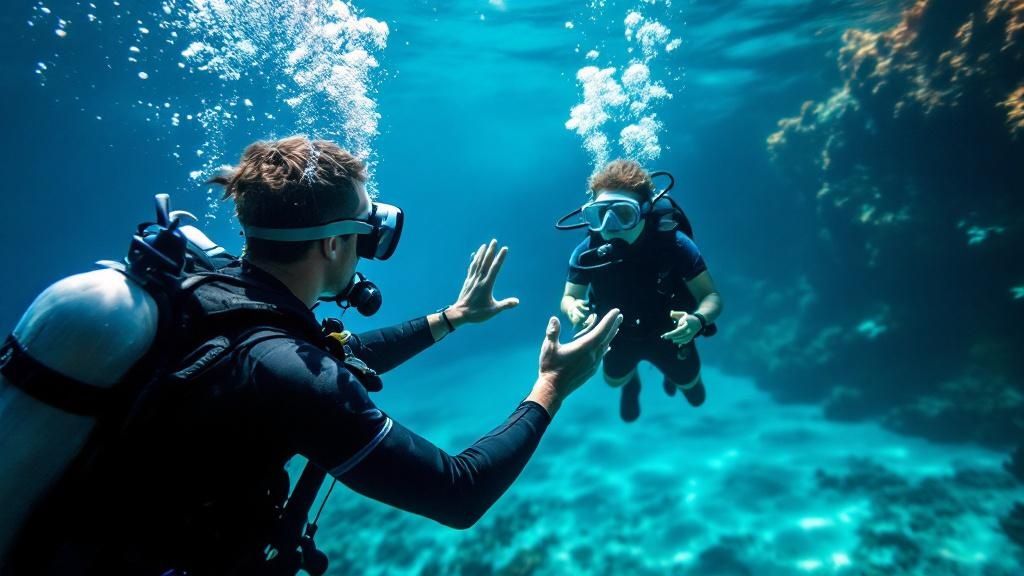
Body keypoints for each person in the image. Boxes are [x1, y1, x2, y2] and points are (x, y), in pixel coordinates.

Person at [6, 136, 622, 575]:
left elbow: (333, 354)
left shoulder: (216, 291)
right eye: (363, 234)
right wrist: (551, 386)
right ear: (332, 243)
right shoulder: (284, 371)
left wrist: (451, 318)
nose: (365, 248)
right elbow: (458, 494)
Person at [558, 159, 722, 422]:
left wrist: (697, 320)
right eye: (601, 213)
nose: (610, 225)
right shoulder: (587, 250)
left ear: (645, 211)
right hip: (618, 333)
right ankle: (632, 383)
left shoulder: (675, 244)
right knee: (614, 381)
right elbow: (569, 298)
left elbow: (711, 297)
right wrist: (573, 309)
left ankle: (671, 377)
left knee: (694, 393)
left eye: (623, 213)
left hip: (673, 332)